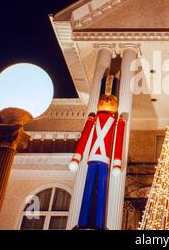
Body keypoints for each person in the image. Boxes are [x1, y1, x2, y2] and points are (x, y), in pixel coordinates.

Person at [68, 74, 126, 229]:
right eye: (105, 98)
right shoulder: (92, 120)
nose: (107, 101)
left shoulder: (117, 122)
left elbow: (118, 141)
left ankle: (100, 225)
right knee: (88, 188)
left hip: (105, 161)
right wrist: (76, 158)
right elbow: (84, 138)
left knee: (102, 190)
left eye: (111, 99)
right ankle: (82, 223)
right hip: (93, 159)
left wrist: (116, 163)